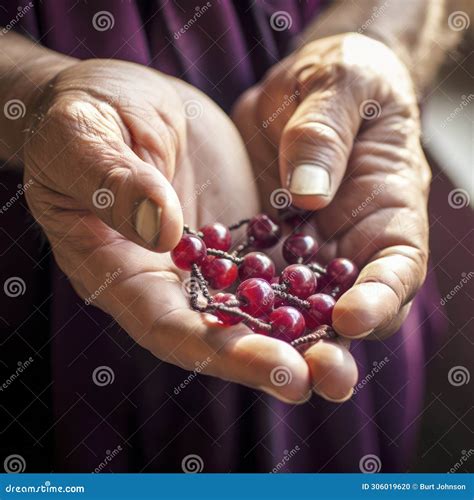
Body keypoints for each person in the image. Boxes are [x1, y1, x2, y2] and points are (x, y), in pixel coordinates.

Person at [0, 1, 458, 472]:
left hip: (340, 194)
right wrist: (35, 94)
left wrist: (374, 46)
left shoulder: (318, 269)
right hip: (52, 265)